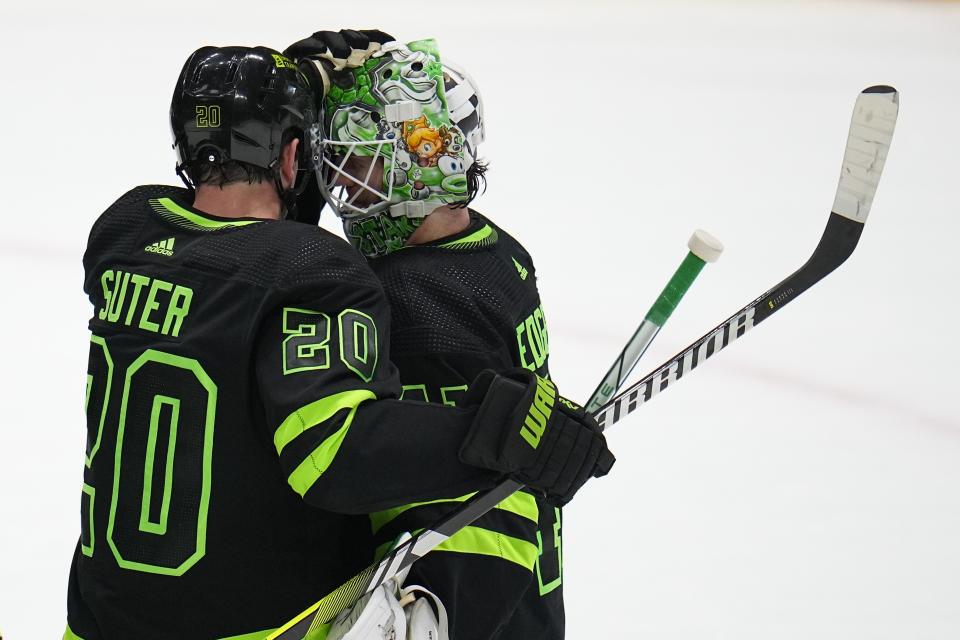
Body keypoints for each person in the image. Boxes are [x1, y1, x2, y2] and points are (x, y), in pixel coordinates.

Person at [65, 44, 613, 640]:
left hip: (99, 619)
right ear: (295, 154)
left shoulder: (124, 230)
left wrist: (279, 113)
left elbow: (241, 267)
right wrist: (499, 432)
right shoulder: (463, 265)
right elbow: (335, 451)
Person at [287, 32, 587, 639]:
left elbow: (464, 506)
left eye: (366, 158)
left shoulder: (407, 299)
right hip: (530, 604)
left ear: (423, 161)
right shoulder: (494, 249)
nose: (342, 180)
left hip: (471, 612)